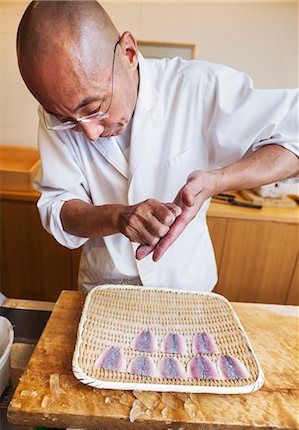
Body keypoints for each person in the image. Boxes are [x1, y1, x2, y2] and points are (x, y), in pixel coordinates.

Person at [17, 1, 299, 292]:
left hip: (185, 288)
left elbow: (295, 137)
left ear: (128, 53)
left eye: (95, 107)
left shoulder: (197, 87)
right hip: (105, 288)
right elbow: (57, 207)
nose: (88, 133)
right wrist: (117, 216)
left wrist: (220, 180)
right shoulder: (56, 115)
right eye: (67, 120)